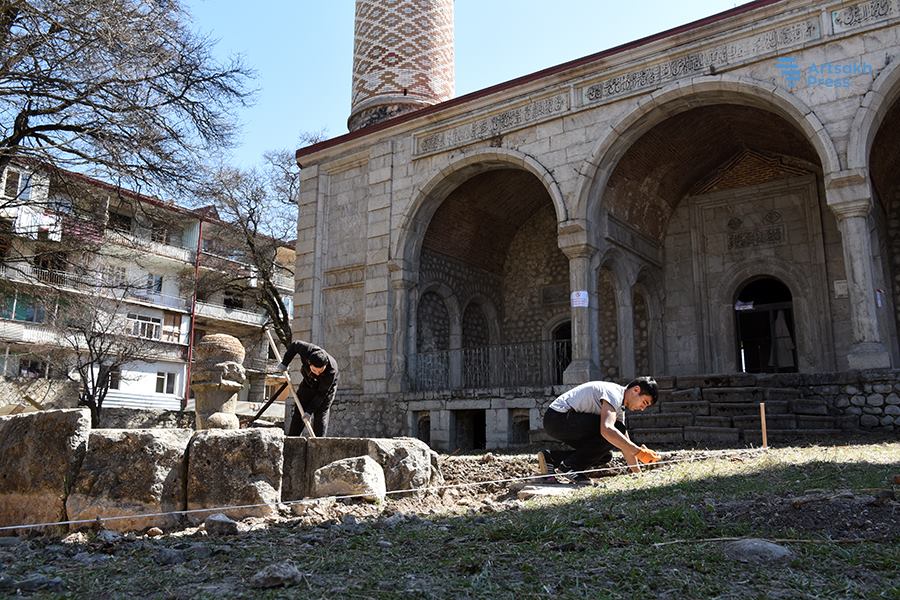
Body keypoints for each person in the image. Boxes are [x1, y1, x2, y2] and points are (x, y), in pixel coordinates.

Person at [538, 377, 661, 483]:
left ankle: (552, 458)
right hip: (558, 418)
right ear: (636, 390)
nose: (642, 408)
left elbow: (625, 444)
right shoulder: (614, 394)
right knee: (614, 429)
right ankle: (570, 467)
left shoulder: (618, 406)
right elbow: (607, 429)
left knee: (604, 456)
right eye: (644, 402)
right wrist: (638, 451)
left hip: (560, 422)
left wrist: (638, 473)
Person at [276, 340, 339, 437]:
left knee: (320, 415)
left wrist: (309, 411)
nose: (317, 373)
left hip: (325, 392)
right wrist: (285, 363)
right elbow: (294, 345)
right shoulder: (306, 350)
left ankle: (319, 443)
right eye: (314, 370)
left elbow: (321, 394)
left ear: (325, 365)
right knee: (299, 412)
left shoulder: (331, 371)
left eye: (320, 371)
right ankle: (293, 440)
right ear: (309, 362)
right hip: (308, 383)